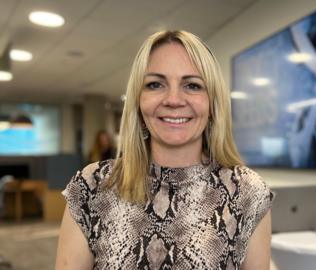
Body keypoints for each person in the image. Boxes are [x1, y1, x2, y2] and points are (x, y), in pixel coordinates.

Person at [55, 30, 274, 270]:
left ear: (213, 103)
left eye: (192, 85)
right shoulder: (92, 186)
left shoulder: (246, 192)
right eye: (155, 84)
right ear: (138, 102)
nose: (173, 99)